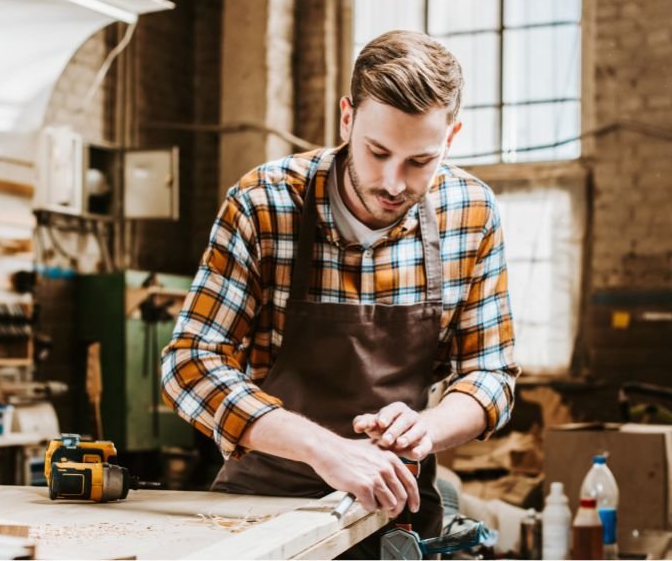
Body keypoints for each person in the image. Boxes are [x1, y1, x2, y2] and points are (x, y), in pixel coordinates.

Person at [161, 30, 519, 557]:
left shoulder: (470, 212)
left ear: (452, 136)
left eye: (420, 161)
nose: (394, 183)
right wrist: (326, 449)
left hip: (394, 507)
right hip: (264, 508)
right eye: (377, 152)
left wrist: (426, 428)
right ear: (347, 119)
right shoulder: (264, 202)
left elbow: (491, 375)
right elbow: (189, 363)